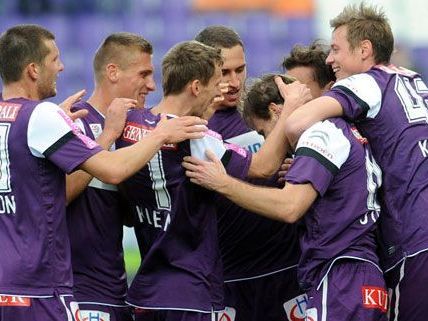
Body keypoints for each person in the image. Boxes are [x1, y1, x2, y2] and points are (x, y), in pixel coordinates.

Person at [0, 24, 207, 321]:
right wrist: (152, 135)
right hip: (53, 288)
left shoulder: (33, 119)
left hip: (86, 288)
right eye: (54, 60)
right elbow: (101, 176)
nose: (61, 67)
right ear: (33, 69)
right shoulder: (49, 117)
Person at [117, 40, 311, 321]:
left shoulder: (128, 124)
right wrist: (291, 105)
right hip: (192, 288)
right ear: (196, 87)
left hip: (147, 293)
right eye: (215, 84)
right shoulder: (194, 135)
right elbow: (262, 166)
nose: (220, 92)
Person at [183, 73, 388, 321]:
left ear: (275, 110)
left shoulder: (320, 134)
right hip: (358, 273)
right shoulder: (343, 129)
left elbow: (290, 207)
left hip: (341, 275)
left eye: (263, 131)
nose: (269, 140)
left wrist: (223, 183)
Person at [277, 3, 428, 320]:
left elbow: (296, 124)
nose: (330, 59)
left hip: (414, 239)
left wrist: (306, 159)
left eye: (335, 49)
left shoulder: (365, 82)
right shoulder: (416, 81)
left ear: (364, 50)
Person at [195, 25, 304, 321]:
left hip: (288, 270)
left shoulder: (267, 109)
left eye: (240, 70)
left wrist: (300, 163)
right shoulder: (193, 126)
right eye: (224, 72)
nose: (234, 82)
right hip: (229, 278)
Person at [65, 32, 156, 321]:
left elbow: (128, 214)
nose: (151, 85)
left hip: (117, 292)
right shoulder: (72, 122)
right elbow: (59, 194)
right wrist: (107, 136)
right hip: (78, 291)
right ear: (113, 72)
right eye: (144, 74)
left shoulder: (134, 133)